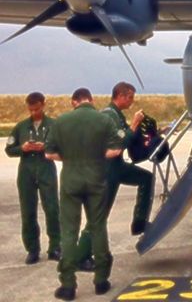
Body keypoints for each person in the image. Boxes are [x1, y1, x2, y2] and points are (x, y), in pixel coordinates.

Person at [45, 88, 123, 301]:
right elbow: (115, 150)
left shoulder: (60, 121)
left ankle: (68, 284)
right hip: (96, 179)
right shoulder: (104, 120)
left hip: (70, 180)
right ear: (91, 100)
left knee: (69, 230)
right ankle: (100, 280)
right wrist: (96, 156)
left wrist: (69, 158)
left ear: (74, 102)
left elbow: (49, 153)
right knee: (97, 227)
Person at [76, 81, 153, 270]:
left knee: (146, 178)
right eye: (130, 97)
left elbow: (128, 138)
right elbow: (118, 144)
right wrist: (134, 125)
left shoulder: (116, 116)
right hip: (107, 171)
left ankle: (139, 222)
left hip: (117, 167)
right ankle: (81, 257)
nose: (132, 101)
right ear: (120, 95)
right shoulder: (108, 116)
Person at [4, 92, 60, 265]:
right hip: (26, 171)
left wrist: (46, 147)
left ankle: (55, 247)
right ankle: (32, 249)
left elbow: (62, 146)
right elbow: (9, 149)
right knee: (28, 211)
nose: (34, 112)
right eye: (31, 109)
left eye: (36, 109)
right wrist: (23, 148)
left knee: (52, 209)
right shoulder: (21, 127)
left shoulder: (53, 125)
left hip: (46, 169)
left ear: (43, 105)